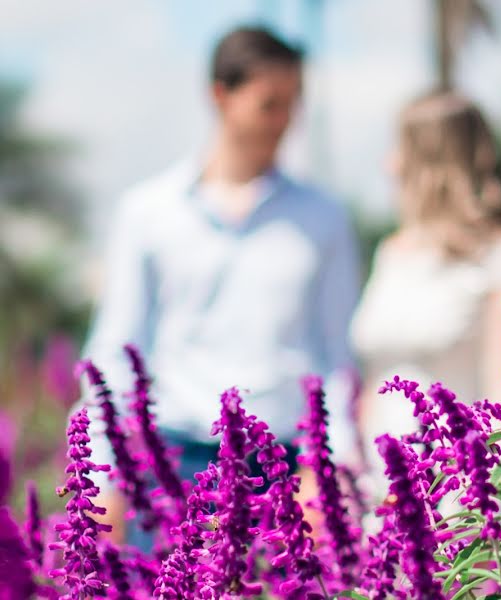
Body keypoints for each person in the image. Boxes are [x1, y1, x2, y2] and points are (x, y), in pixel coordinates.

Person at [79, 26, 361, 544]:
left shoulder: (324, 219)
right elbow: (117, 350)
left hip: (284, 470)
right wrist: (98, 480)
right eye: (269, 103)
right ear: (220, 96)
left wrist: (331, 466)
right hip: (172, 468)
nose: (285, 121)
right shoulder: (149, 213)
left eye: (294, 103)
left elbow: (334, 353)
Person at [351, 91, 501, 496]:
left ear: (433, 163)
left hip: (464, 501)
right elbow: (373, 378)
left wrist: (494, 514)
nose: (390, 164)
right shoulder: (391, 253)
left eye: (400, 148)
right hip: (381, 496)